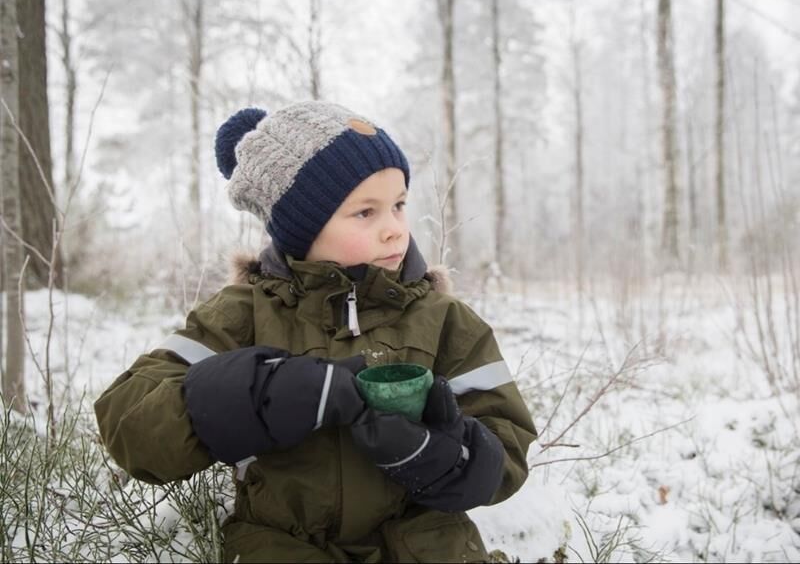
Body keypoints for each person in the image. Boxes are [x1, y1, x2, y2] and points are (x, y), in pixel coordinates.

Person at [94, 101, 537, 563]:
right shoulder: (241, 314)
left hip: (428, 543)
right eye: (366, 212)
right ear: (300, 229)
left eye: (399, 205)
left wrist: (447, 454)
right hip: (281, 545)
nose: (394, 231)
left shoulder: (445, 319)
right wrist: (256, 393)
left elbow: (507, 448)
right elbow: (130, 426)